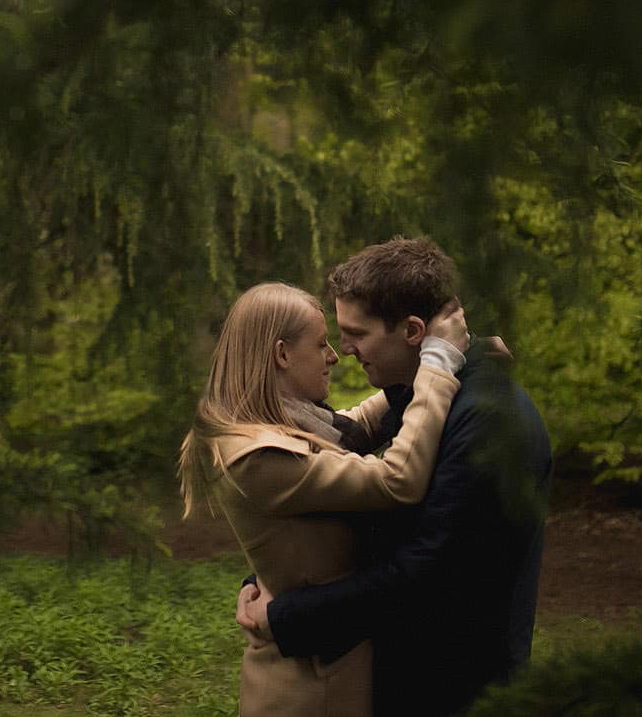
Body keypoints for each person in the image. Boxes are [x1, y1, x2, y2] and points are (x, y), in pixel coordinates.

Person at [236, 238, 553, 717]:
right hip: (408, 675)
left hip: (454, 684)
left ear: (412, 330)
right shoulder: (424, 394)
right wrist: (269, 571)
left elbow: (426, 571)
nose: (343, 351)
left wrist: (285, 616)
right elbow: (355, 511)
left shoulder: (487, 421)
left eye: (355, 333)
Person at [179, 280, 472, 717]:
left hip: (321, 666)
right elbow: (398, 478)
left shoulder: (281, 428)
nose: (334, 356)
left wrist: (422, 364)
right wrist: (437, 366)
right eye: (320, 345)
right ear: (281, 355)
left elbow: (352, 428)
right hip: (314, 687)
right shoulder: (260, 457)